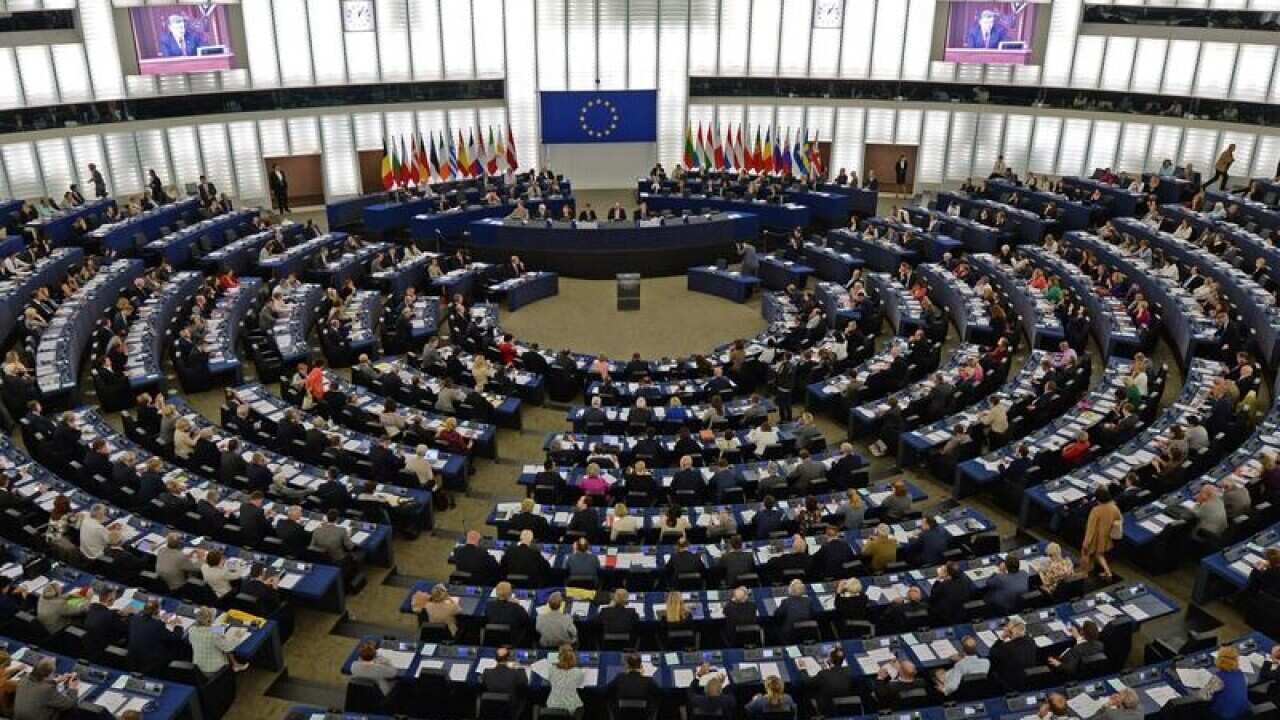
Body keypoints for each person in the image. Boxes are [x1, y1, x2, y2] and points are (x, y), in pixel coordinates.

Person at [12, 658, 78, 720]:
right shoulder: (47, 690)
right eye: (53, 673)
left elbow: (39, 684)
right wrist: (73, 689)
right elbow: (69, 704)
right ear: (49, 675)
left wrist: (56, 680)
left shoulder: (24, 679)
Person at [188, 606, 244, 675]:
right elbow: (228, 647)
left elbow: (191, 642)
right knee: (225, 647)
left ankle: (236, 664)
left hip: (198, 667)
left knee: (220, 645)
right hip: (214, 669)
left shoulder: (191, 630)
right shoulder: (214, 634)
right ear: (210, 620)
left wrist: (219, 630)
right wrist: (237, 637)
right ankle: (235, 665)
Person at [1081, 485, 1121, 579]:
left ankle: (1084, 573)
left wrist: (1086, 543)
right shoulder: (1114, 507)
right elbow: (1118, 520)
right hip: (1107, 536)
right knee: (1099, 555)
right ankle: (1108, 572)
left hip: (1095, 537)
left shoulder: (1096, 510)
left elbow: (1090, 529)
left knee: (1085, 554)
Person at [1198, 645, 1249, 719]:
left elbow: (1203, 696)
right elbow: (1244, 684)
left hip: (1224, 715)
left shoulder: (1219, 678)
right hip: (1242, 713)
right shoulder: (1241, 673)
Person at [988, 618, 1036, 689]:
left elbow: (992, 652)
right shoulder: (1031, 641)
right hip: (1028, 678)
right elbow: (1025, 636)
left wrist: (1002, 637)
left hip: (1012, 682)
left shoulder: (1007, 647)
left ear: (1010, 632)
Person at [544, 644, 585, 718]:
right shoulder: (578, 672)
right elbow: (579, 685)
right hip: (571, 709)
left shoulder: (551, 670)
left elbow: (548, 681)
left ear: (559, 656)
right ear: (573, 657)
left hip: (552, 707)